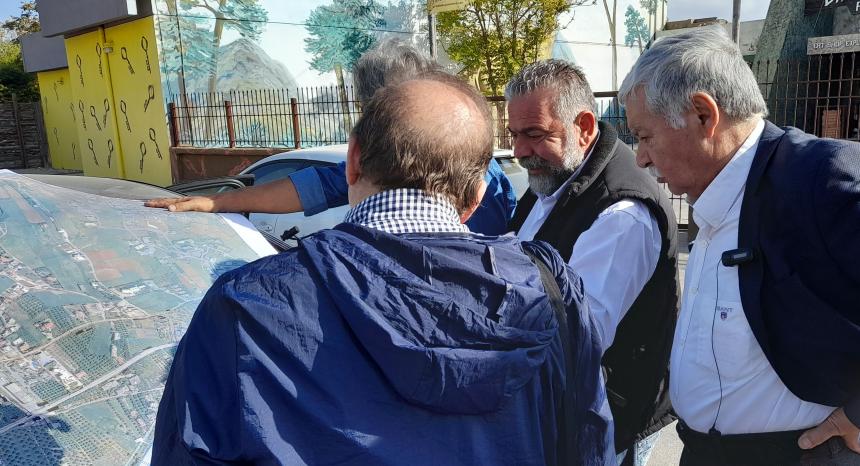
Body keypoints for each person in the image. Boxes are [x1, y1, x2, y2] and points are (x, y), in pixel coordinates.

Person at [151, 72, 615, 465]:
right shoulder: (552, 291)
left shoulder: (243, 308)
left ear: (352, 160)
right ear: (477, 196)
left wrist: (220, 202)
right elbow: (589, 440)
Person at [619, 26, 860, 465]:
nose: (641, 157)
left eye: (645, 136)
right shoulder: (717, 192)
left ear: (702, 115)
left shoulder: (818, 179)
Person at [145, 39, 516, 236]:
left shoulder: (485, 180)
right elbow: (312, 187)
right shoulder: (381, 165)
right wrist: (216, 202)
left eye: (380, 110)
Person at [504, 60, 679, 466]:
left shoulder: (623, 213)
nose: (519, 151)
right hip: (565, 410)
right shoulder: (554, 177)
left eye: (534, 134)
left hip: (608, 421)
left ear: (583, 127)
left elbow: (576, 337)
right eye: (514, 135)